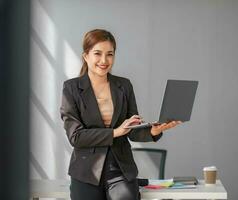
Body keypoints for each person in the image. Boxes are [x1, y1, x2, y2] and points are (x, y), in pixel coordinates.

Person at [60, 29, 181, 200]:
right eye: (97, 53)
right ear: (86, 56)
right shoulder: (71, 88)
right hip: (86, 171)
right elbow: (76, 136)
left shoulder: (124, 86)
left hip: (120, 170)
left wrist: (154, 131)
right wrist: (115, 132)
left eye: (110, 54)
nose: (104, 60)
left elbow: (132, 130)